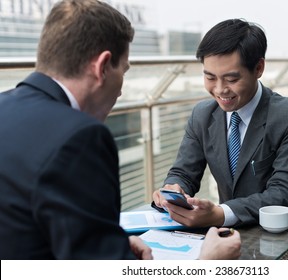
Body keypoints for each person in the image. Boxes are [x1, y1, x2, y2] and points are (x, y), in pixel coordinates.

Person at [0, 0, 241, 260]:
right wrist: (207, 264)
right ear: (103, 66)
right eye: (123, 71)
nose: (122, 90)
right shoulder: (80, 137)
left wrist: (108, 241)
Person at [153, 18, 288, 228]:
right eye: (210, 77)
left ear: (258, 68)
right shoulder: (202, 115)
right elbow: (184, 172)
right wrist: (174, 189)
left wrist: (221, 214)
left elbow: (284, 193)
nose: (220, 89)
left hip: (286, 234)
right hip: (230, 234)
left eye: (231, 79)